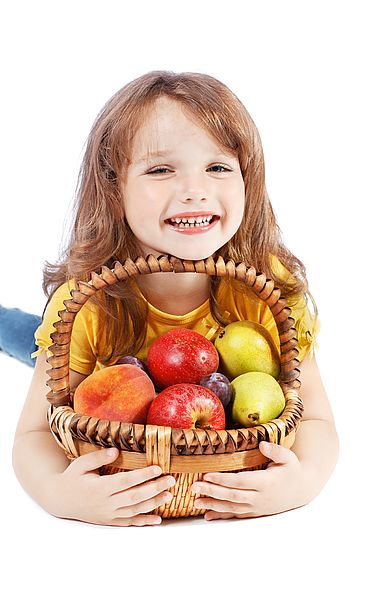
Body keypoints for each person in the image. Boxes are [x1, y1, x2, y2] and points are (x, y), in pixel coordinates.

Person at [9, 70, 339, 526]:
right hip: (100, 366)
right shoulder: (87, 302)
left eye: (218, 167)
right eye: (161, 169)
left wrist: (303, 481)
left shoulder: (265, 289)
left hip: (189, 403)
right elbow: (33, 433)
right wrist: (57, 494)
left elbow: (317, 422)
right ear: (113, 187)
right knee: (24, 336)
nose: (194, 190)